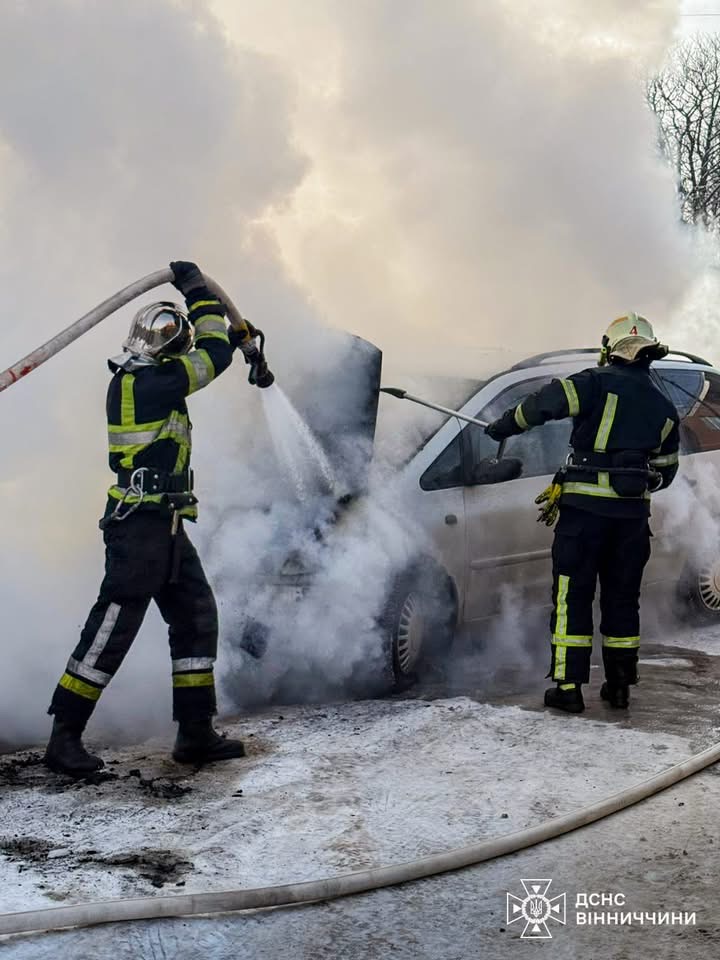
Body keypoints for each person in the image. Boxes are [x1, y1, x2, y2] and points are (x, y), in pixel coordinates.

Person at [45, 261, 258, 775]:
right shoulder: (154, 383)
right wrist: (199, 294)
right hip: (138, 528)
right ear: (170, 348)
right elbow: (212, 355)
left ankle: (195, 732)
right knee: (112, 628)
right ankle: (64, 737)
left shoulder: (142, 376)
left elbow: (212, 350)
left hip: (165, 525)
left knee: (195, 616)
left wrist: (224, 324)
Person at [485, 314, 680, 713]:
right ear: (649, 352)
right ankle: (620, 685)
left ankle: (569, 688)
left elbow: (543, 404)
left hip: (584, 518)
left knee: (572, 599)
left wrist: (502, 427)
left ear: (610, 350)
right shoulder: (663, 407)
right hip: (630, 523)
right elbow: (666, 471)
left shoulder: (593, 382)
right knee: (623, 599)